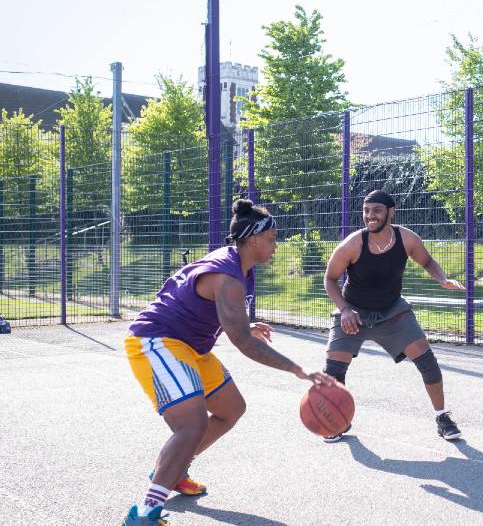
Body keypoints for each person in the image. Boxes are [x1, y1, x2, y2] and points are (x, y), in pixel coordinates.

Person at [121, 199, 334, 525]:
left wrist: (242, 325)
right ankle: (145, 514)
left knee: (231, 409)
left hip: (192, 346)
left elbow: (209, 310)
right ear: (252, 240)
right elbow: (243, 343)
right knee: (192, 425)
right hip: (156, 340)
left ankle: (174, 470)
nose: (276, 245)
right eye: (272, 238)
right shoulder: (230, 277)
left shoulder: (241, 270)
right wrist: (297, 369)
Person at [321, 190, 464, 442]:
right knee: (333, 371)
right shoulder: (353, 244)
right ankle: (337, 421)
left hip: (392, 310)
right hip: (354, 312)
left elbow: (427, 260)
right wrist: (344, 309)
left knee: (428, 362)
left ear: (391, 212)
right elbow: (330, 279)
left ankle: (442, 417)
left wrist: (442, 279)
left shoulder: (407, 238)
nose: (370, 216)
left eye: (376, 210)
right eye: (366, 211)